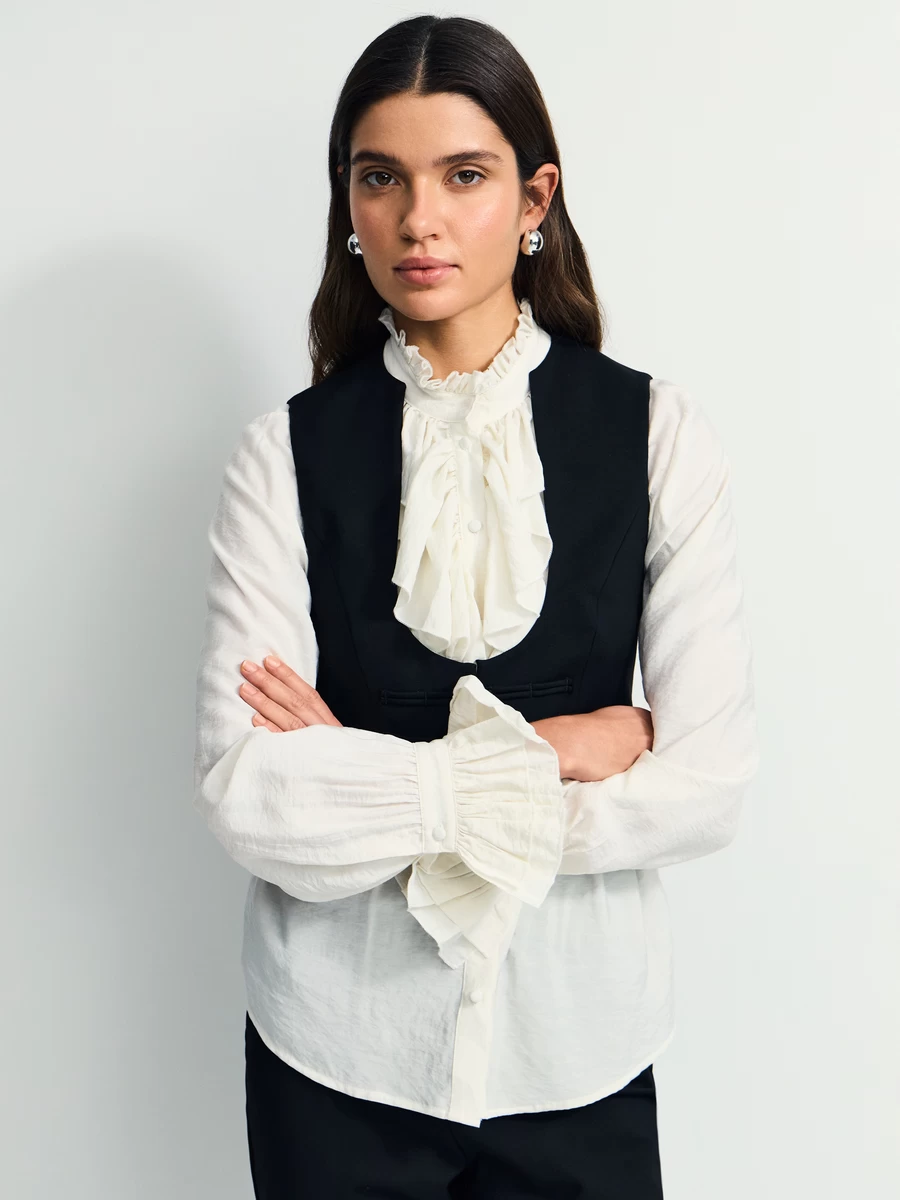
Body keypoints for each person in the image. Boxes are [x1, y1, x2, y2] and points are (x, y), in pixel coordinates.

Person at [192, 14, 760, 1198]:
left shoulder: (658, 434)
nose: (419, 219)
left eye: (464, 175)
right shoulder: (279, 457)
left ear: (534, 197)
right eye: (380, 178)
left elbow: (706, 789)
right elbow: (251, 797)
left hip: (580, 1049)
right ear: (349, 204)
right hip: (333, 1050)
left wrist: (365, 779)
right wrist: (564, 753)